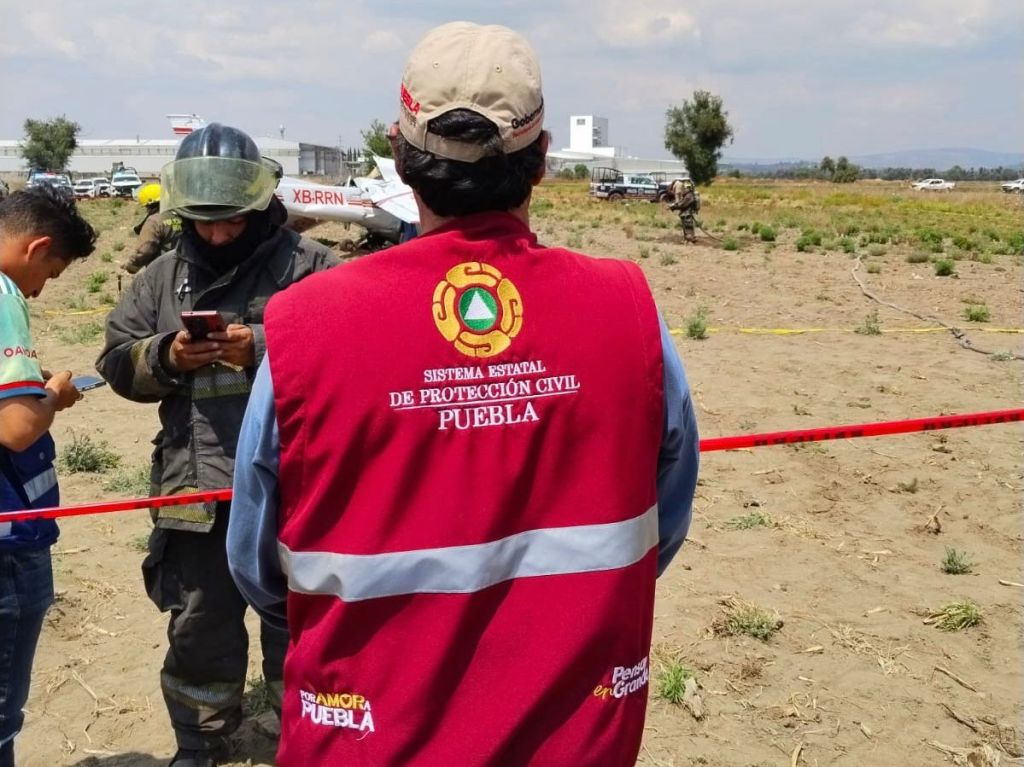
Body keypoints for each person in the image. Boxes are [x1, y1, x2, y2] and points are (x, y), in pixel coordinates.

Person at [228, 22, 700, 767]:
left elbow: (258, 568)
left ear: (399, 155)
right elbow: (659, 526)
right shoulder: (630, 312)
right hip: (579, 742)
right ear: (541, 159)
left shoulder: (302, 330)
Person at [95, 123, 339, 767]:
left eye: (232, 220)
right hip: (196, 489)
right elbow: (116, 360)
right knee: (199, 623)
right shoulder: (161, 279)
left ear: (260, 204)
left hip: (298, 489)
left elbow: (357, 354)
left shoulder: (313, 267)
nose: (219, 235)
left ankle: (305, 732)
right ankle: (200, 740)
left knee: (304, 619)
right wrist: (166, 356)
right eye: (204, 222)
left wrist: (262, 347)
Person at [0, 186, 96, 767]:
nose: (41, 290)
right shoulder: (4, 293)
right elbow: (15, 428)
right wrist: (53, 395)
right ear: (36, 248)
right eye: (51, 273)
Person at [125, 182, 181, 274]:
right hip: (182, 268)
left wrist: (131, 266)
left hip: (162, 272)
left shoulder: (154, 221)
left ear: (149, 205)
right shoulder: (179, 216)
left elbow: (145, 250)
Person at [669, 177, 699, 242]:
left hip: (687, 214)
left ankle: (690, 240)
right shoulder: (688, 195)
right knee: (687, 227)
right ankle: (689, 239)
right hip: (686, 214)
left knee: (688, 227)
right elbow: (681, 203)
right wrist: (674, 205)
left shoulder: (689, 196)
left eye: (684, 188)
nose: (683, 190)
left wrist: (673, 207)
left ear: (688, 189)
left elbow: (682, 205)